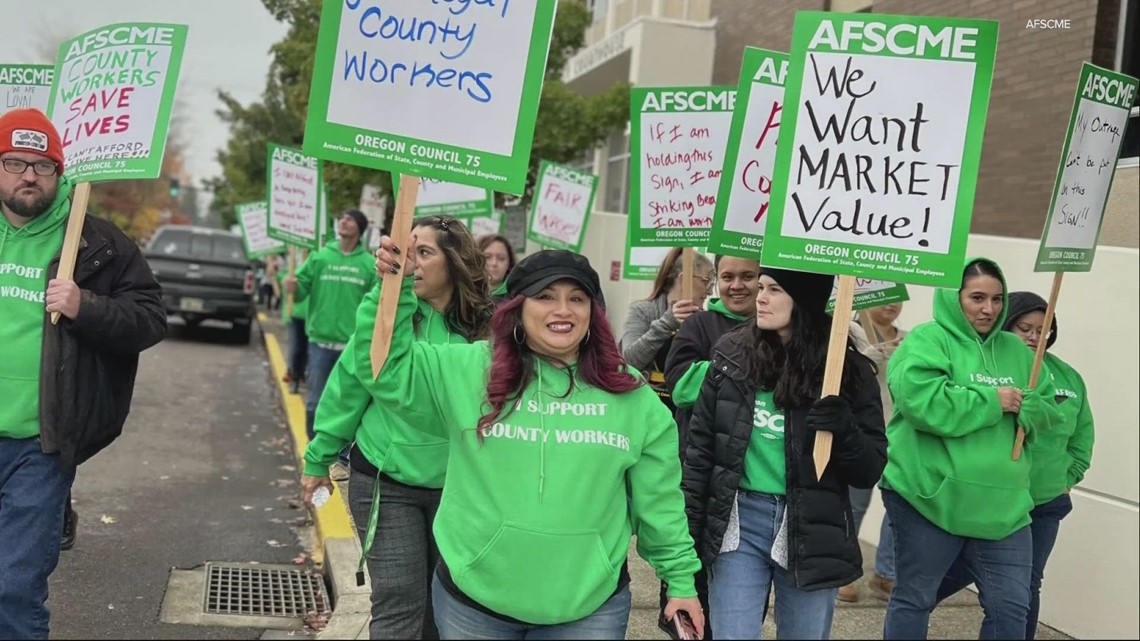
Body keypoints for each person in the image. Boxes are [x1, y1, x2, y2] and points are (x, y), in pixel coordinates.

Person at [305, 243, 705, 640]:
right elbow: (384, 368)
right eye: (545, 296)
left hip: (589, 609)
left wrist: (681, 581)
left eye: (577, 298)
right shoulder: (469, 370)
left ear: (592, 313)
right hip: (475, 605)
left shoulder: (631, 396)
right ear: (517, 308)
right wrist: (393, 287)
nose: (562, 310)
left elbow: (660, 503)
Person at [0, 108, 167, 639]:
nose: (29, 175)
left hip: (40, 445)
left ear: (60, 171)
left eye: (42, 165)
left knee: (13, 586)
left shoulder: (98, 244)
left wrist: (85, 306)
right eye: (14, 162)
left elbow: (149, 319)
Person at [304, 216, 493, 639]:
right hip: (386, 485)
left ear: (456, 262)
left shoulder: (493, 328)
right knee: (399, 605)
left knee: (447, 610)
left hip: (462, 490)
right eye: (405, 254)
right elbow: (350, 385)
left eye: (423, 253)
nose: (411, 264)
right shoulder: (386, 315)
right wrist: (319, 457)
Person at [682, 268, 887, 639]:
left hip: (811, 523)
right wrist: (687, 534)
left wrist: (845, 429)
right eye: (761, 287)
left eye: (774, 289)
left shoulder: (846, 371)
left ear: (804, 300)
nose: (760, 297)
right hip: (739, 522)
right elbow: (699, 451)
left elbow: (868, 470)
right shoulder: (731, 356)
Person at [880, 258, 1062, 640]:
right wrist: (993, 401)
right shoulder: (926, 340)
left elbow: (1047, 410)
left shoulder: (1018, 350)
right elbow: (921, 404)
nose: (988, 309)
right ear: (953, 298)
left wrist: (1029, 407)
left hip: (1004, 509)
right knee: (916, 597)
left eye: (997, 299)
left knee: (1012, 605)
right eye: (977, 298)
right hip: (928, 498)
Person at [935, 291, 1094, 640]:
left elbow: (1082, 436)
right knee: (941, 576)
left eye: (1044, 329)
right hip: (987, 500)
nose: (1036, 337)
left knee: (1024, 586)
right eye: (1026, 328)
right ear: (1007, 324)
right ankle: (913, 602)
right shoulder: (985, 368)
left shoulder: (1068, 378)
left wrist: (1068, 477)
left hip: (1043, 502)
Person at [284, 210, 377, 440]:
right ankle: (312, 447)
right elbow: (301, 290)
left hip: (352, 347)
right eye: (342, 217)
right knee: (316, 399)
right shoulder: (320, 256)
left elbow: (377, 302)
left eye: (350, 219)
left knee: (348, 403)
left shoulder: (369, 264)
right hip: (320, 343)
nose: (343, 221)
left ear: (360, 228)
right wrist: (293, 288)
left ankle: (340, 452)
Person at [839, 302, 907, 603]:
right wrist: (880, 351)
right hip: (863, 429)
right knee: (854, 506)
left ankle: (886, 573)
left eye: (898, 295)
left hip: (900, 432)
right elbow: (848, 370)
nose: (892, 303)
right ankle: (844, 572)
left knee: (898, 505)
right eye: (885, 293)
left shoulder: (909, 337)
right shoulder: (852, 330)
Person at [620, 248, 713, 413]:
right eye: (706, 282)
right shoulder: (642, 310)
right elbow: (629, 361)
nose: (710, 291)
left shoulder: (706, 320)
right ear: (684, 280)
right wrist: (667, 323)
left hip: (686, 414)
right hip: (644, 408)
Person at [279, 252, 308, 395]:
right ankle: (295, 377)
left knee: (308, 350)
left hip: (315, 315)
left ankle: (301, 374)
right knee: (296, 348)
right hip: (296, 313)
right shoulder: (293, 258)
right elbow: (283, 279)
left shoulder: (319, 257)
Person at [477, 233, 516, 303]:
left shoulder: (516, 297)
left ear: (509, 263)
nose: (494, 263)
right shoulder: (465, 293)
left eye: (501, 258)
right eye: (487, 257)